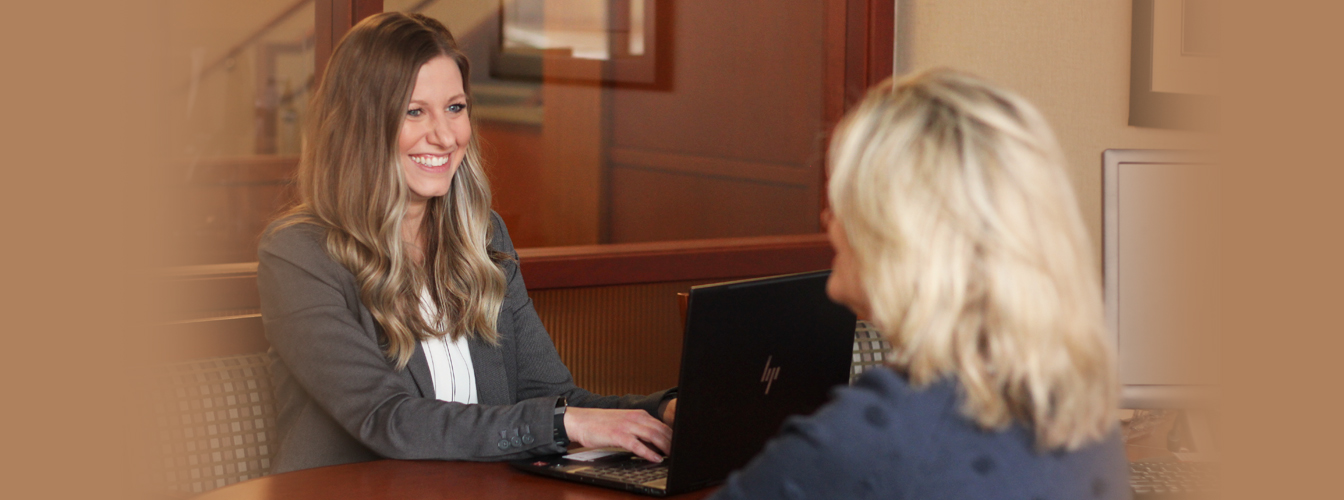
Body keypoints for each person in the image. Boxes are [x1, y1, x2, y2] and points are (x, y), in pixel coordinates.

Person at [257, 12, 675, 474]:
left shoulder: (483, 236)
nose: (444, 135)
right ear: (359, 124)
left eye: (455, 108)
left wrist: (661, 411)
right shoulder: (299, 254)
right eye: (414, 111)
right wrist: (561, 423)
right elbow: (387, 419)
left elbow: (550, 400)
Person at [708, 69, 1130, 499]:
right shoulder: (1079, 408)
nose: (829, 222)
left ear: (893, 235)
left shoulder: (878, 436)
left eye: (844, 200)